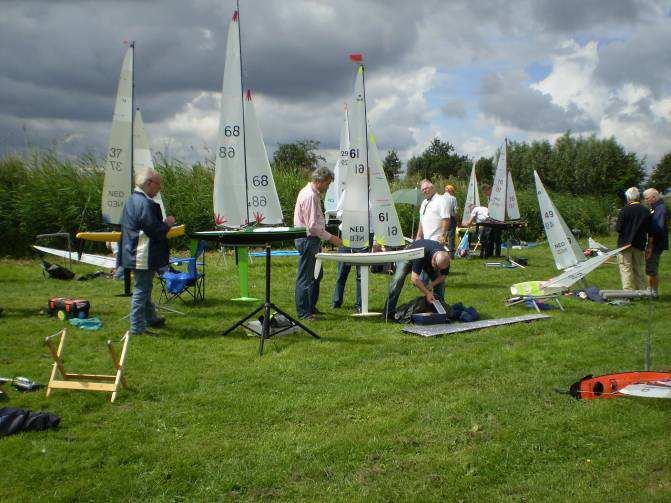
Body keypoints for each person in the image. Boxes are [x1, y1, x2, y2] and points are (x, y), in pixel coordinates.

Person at [121, 168, 175, 335]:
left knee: (146, 287)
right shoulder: (145, 203)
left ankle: (150, 318)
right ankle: (137, 327)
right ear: (149, 183)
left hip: (134, 251)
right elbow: (155, 230)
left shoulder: (131, 200)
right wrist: (167, 224)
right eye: (158, 184)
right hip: (142, 253)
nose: (159, 188)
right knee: (142, 289)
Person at [293, 167, 342, 320]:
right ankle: (303, 312)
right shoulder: (309, 196)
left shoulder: (313, 194)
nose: (328, 186)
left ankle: (310, 307)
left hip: (311, 239)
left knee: (316, 275)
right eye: (327, 183)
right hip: (308, 239)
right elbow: (312, 226)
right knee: (306, 277)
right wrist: (331, 238)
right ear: (319, 181)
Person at [383, 239, 451, 319]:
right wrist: (427, 293)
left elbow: (442, 276)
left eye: (440, 268)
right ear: (433, 260)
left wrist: (432, 284)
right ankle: (388, 311)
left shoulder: (444, 259)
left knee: (440, 283)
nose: (437, 269)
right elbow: (414, 279)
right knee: (398, 279)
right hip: (410, 255)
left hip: (427, 257)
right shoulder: (421, 253)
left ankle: (440, 311)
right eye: (436, 267)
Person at [331, 189, 362, 313]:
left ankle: (360, 304)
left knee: (361, 272)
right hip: (346, 233)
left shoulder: (372, 193)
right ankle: (336, 301)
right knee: (342, 270)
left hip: (363, 235)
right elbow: (338, 212)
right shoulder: (348, 191)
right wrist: (349, 215)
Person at [615, 187, 651, 291]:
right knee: (638, 269)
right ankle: (642, 290)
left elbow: (618, 228)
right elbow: (649, 229)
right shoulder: (645, 210)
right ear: (638, 197)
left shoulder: (624, 210)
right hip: (639, 244)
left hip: (625, 244)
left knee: (626, 269)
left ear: (628, 197)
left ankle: (628, 292)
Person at [643, 188, 668, 297]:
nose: (646, 201)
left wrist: (650, 245)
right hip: (656, 242)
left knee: (651, 267)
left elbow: (657, 229)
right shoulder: (656, 208)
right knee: (650, 266)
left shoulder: (660, 209)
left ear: (654, 197)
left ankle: (652, 292)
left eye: (647, 198)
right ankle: (652, 291)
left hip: (656, 243)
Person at [416, 179, 450, 244]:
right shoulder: (424, 202)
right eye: (422, 190)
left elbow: (446, 219)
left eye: (426, 188)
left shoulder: (441, 200)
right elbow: (421, 220)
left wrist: (442, 235)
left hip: (436, 240)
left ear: (432, 188)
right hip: (425, 240)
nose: (424, 191)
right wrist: (418, 236)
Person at [443, 184, 459, 257]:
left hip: (441, 219)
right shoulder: (453, 198)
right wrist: (457, 220)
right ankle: (451, 254)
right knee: (451, 236)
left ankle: (439, 252)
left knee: (442, 235)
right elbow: (455, 211)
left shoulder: (440, 197)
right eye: (453, 191)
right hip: (450, 218)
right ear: (450, 191)